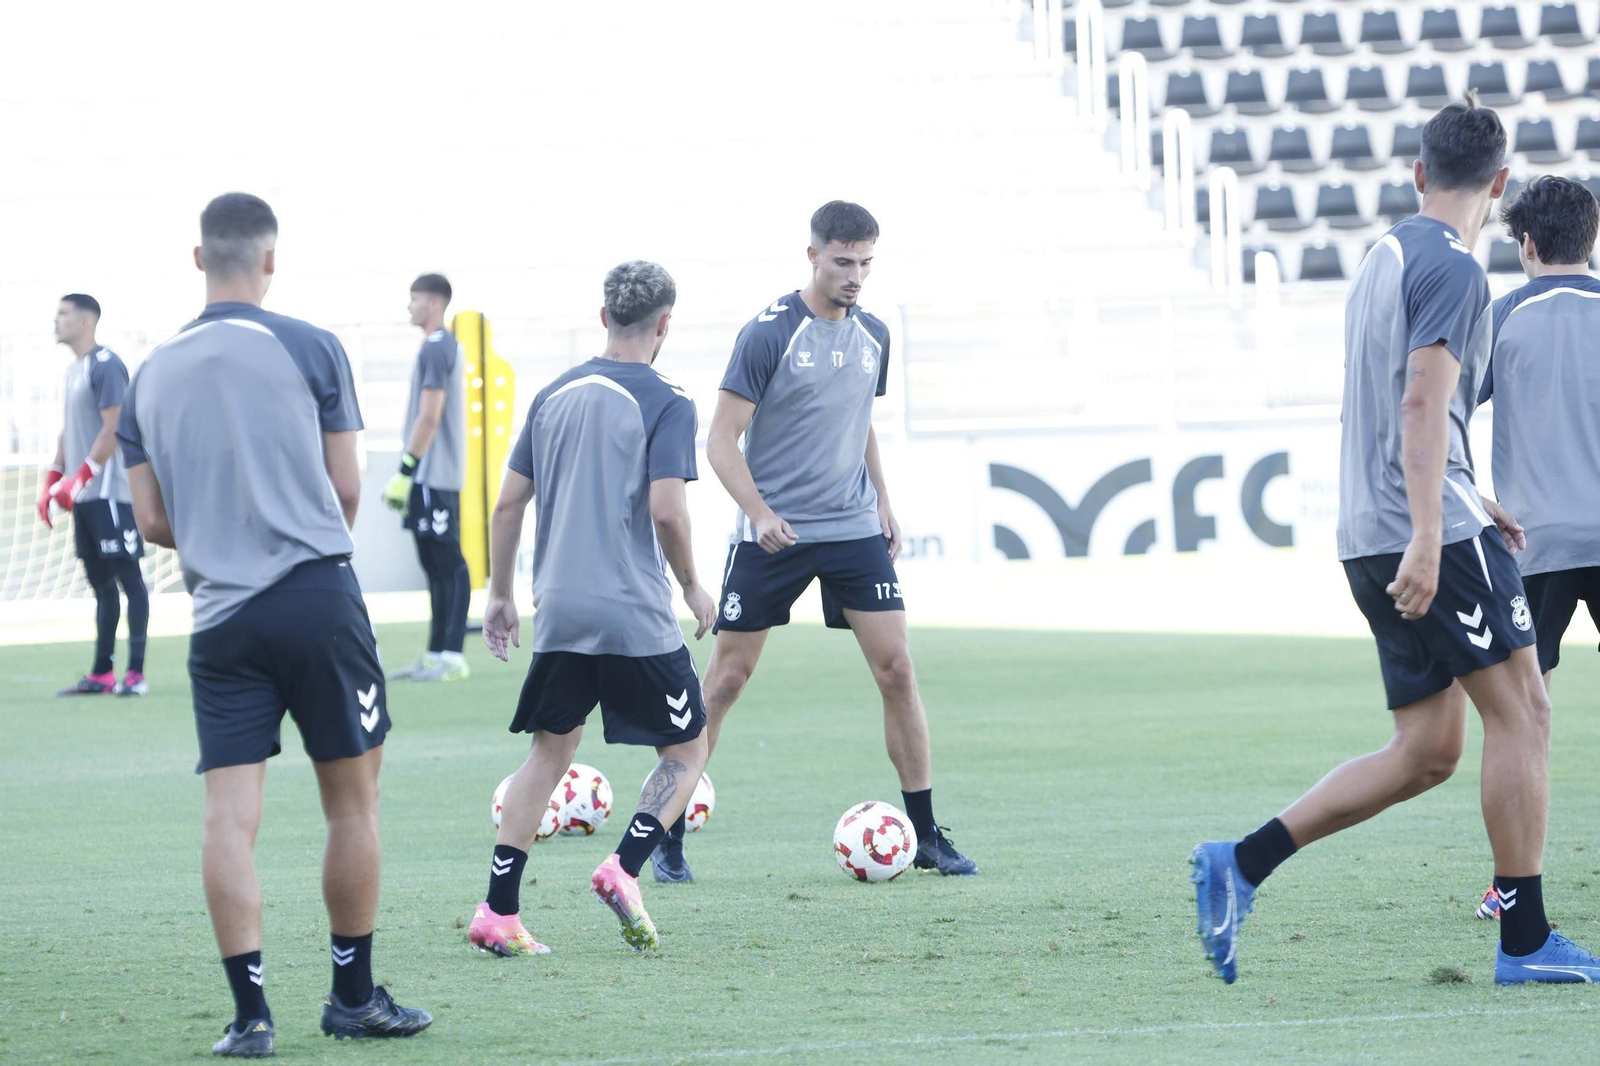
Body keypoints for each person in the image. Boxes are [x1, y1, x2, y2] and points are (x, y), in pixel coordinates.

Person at [1189, 97, 1600, 985]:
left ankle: (1240, 862)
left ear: (1418, 173)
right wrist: (1430, 529)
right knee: (1525, 712)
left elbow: (1388, 406)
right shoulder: (1457, 268)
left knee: (1428, 752)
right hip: (1424, 533)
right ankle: (1524, 941)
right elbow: (1418, 404)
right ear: (1498, 185)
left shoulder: (1382, 256)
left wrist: (1464, 493)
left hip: (1372, 529)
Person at [117, 192, 432, 1056]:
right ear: (269, 261)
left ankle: (251, 1018)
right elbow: (346, 491)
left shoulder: (149, 374)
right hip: (316, 597)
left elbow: (151, 521)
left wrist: (223, 526)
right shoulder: (310, 345)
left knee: (229, 815)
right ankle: (352, 999)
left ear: (197, 260)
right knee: (352, 804)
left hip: (219, 617)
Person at [653, 200, 976, 884]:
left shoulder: (874, 335)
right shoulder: (769, 334)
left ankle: (925, 834)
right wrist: (759, 512)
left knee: (898, 671)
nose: (855, 276)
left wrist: (884, 500)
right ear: (813, 256)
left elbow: (857, 421)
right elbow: (718, 440)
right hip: (774, 536)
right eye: (843, 262)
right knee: (726, 681)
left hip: (852, 526)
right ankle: (666, 831)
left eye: (865, 263)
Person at [469, 260, 715, 957]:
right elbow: (668, 510)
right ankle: (623, 867)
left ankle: (499, 911)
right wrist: (693, 584)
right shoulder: (667, 398)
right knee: (689, 745)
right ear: (664, 324)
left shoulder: (553, 393)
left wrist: (499, 596)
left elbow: (509, 503)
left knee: (549, 753)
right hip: (631, 609)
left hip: (561, 610)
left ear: (603, 315)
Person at [1471, 175, 1600, 921]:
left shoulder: (1503, 317)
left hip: (1532, 543)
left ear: (1525, 245)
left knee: (1518, 716)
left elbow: (1441, 417)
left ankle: (1510, 884)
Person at [42, 293, 149, 696]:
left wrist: (81, 476)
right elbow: (69, 432)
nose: (56, 321)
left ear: (85, 321)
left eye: (63, 314)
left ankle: (135, 674)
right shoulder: (74, 372)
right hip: (84, 497)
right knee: (100, 582)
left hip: (110, 493)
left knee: (129, 578)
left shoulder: (106, 366)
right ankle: (102, 674)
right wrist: (53, 480)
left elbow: (115, 427)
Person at [384, 274, 470, 682]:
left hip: (435, 474)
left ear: (434, 303)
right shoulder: (432, 347)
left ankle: (453, 656)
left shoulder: (438, 347)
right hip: (424, 476)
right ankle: (435, 653)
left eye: (414, 298)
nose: (409, 307)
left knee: (449, 561)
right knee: (432, 562)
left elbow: (430, 414)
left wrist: (405, 468)